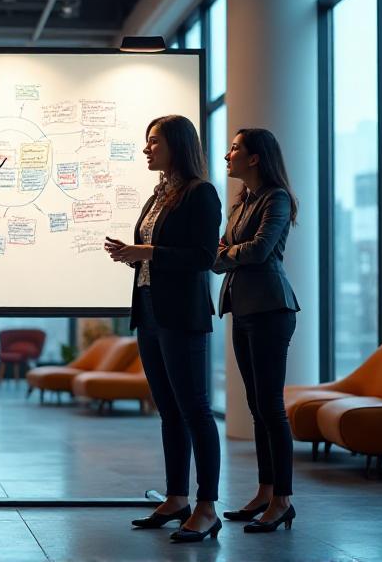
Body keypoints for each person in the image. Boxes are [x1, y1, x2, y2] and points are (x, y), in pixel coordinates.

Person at [104, 115, 222, 543]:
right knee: (169, 410)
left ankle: (207, 506)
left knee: (195, 409)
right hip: (150, 309)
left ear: (176, 144)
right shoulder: (159, 195)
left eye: (153, 141)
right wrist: (132, 254)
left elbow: (203, 257)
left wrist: (147, 250)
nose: (146, 149)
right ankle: (176, 498)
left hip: (182, 314)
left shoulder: (201, 193)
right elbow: (160, 253)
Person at [212, 128, 299, 533]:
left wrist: (225, 253)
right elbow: (225, 253)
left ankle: (282, 499)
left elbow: (259, 250)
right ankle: (266, 491)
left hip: (270, 309)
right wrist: (227, 253)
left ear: (255, 158)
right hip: (243, 308)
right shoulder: (241, 202)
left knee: (271, 407)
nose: (228, 154)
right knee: (256, 406)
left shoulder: (275, 198)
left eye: (235, 148)